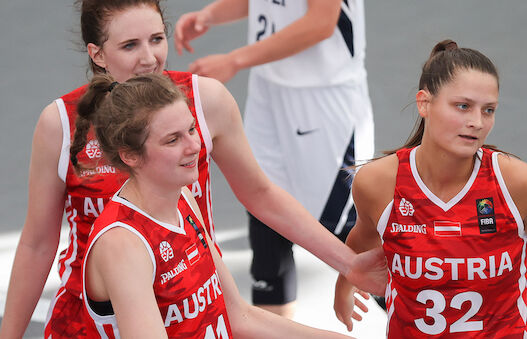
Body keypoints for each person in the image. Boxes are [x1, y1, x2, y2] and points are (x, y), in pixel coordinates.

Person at [0, 1, 385, 338]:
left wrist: (349, 263)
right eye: (129, 45)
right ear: (97, 53)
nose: (149, 57)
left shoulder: (203, 103)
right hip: (97, 322)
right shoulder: (62, 124)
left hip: (193, 301)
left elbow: (261, 195)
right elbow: (37, 243)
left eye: (156, 38)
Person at [333, 40, 527, 338]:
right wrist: (344, 283)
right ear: (424, 103)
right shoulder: (380, 182)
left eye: (488, 110)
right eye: (463, 106)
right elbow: (361, 240)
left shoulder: (516, 183)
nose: (477, 122)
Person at [76, 72, 355, 338]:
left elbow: (238, 317)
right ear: (130, 156)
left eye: (191, 129)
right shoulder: (123, 244)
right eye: (173, 140)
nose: (193, 146)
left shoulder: (183, 199)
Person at [174, 0, 376, 317]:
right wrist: (210, 15)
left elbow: (322, 21)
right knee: (266, 221)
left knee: (351, 236)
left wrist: (235, 59)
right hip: (268, 87)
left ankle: (431, 319)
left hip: (321, 99)